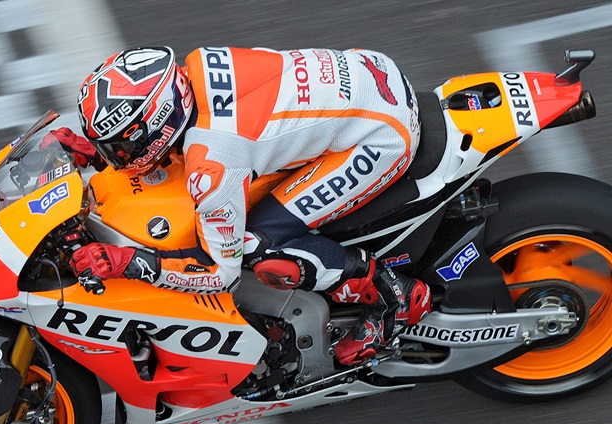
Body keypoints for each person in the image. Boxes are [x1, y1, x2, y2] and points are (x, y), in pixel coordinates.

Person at [48, 46, 430, 365]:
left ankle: (392, 295)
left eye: (119, 147)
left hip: (381, 136)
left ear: (158, 124)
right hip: (371, 70)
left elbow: (219, 273)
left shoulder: (213, 163)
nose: (116, 157)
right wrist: (94, 155)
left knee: (255, 244)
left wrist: (130, 262)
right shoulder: (196, 65)